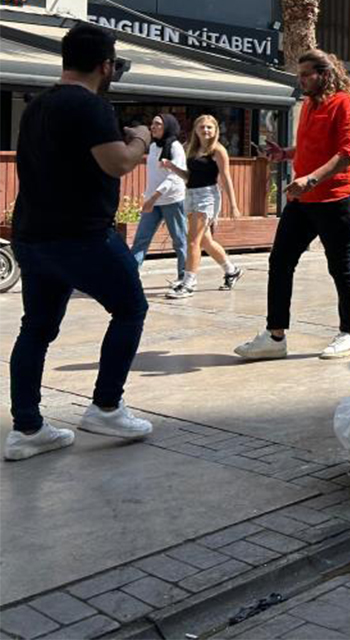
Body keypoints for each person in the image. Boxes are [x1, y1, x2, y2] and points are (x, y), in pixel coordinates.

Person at [6, 24, 155, 460]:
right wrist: (142, 137)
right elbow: (117, 163)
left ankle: (27, 429)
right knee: (130, 309)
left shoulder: (38, 105)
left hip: (32, 235)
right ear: (106, 65)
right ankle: (106, 407)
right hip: (83, 236)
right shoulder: (90, 105)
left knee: (36, 328)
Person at [234, 48, 350, 361]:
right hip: (304, 200)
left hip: (338, 198)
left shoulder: (347, 103)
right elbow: (313, 146)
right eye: (300, 75)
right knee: (280, 261)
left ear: (325, 74)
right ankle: (275, 336)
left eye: (307, 74)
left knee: (341, 268)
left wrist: (311, 178)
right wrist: (286, 153)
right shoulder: (309, 105)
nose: (302, 80)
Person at [164, 114, 243, 298]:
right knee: (205, 242)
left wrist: (233, 205)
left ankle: (188, 283)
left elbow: (226, 177)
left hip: (207, 196)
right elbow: (189, 177)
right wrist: (172, 167)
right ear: (196, 130)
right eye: (202, 127)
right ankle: (232, 271)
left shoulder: (218, 150)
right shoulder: (191, 149)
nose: (206, 130)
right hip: (190, 194)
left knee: (193, 241)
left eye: (209, 127)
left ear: (215, 130)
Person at [130, 113, 188, 290]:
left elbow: (173, 177)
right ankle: (130, 276)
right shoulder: (154, 146)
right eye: (152, 124)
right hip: (153, 201)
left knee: (179, 240)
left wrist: (153, 197)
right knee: (141, 239)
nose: (153, 127)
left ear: (167, 127)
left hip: (171, 200)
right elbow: (154, 176)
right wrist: (149, 197)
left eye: (157, 124)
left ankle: (184, 277)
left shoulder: (176, 148)